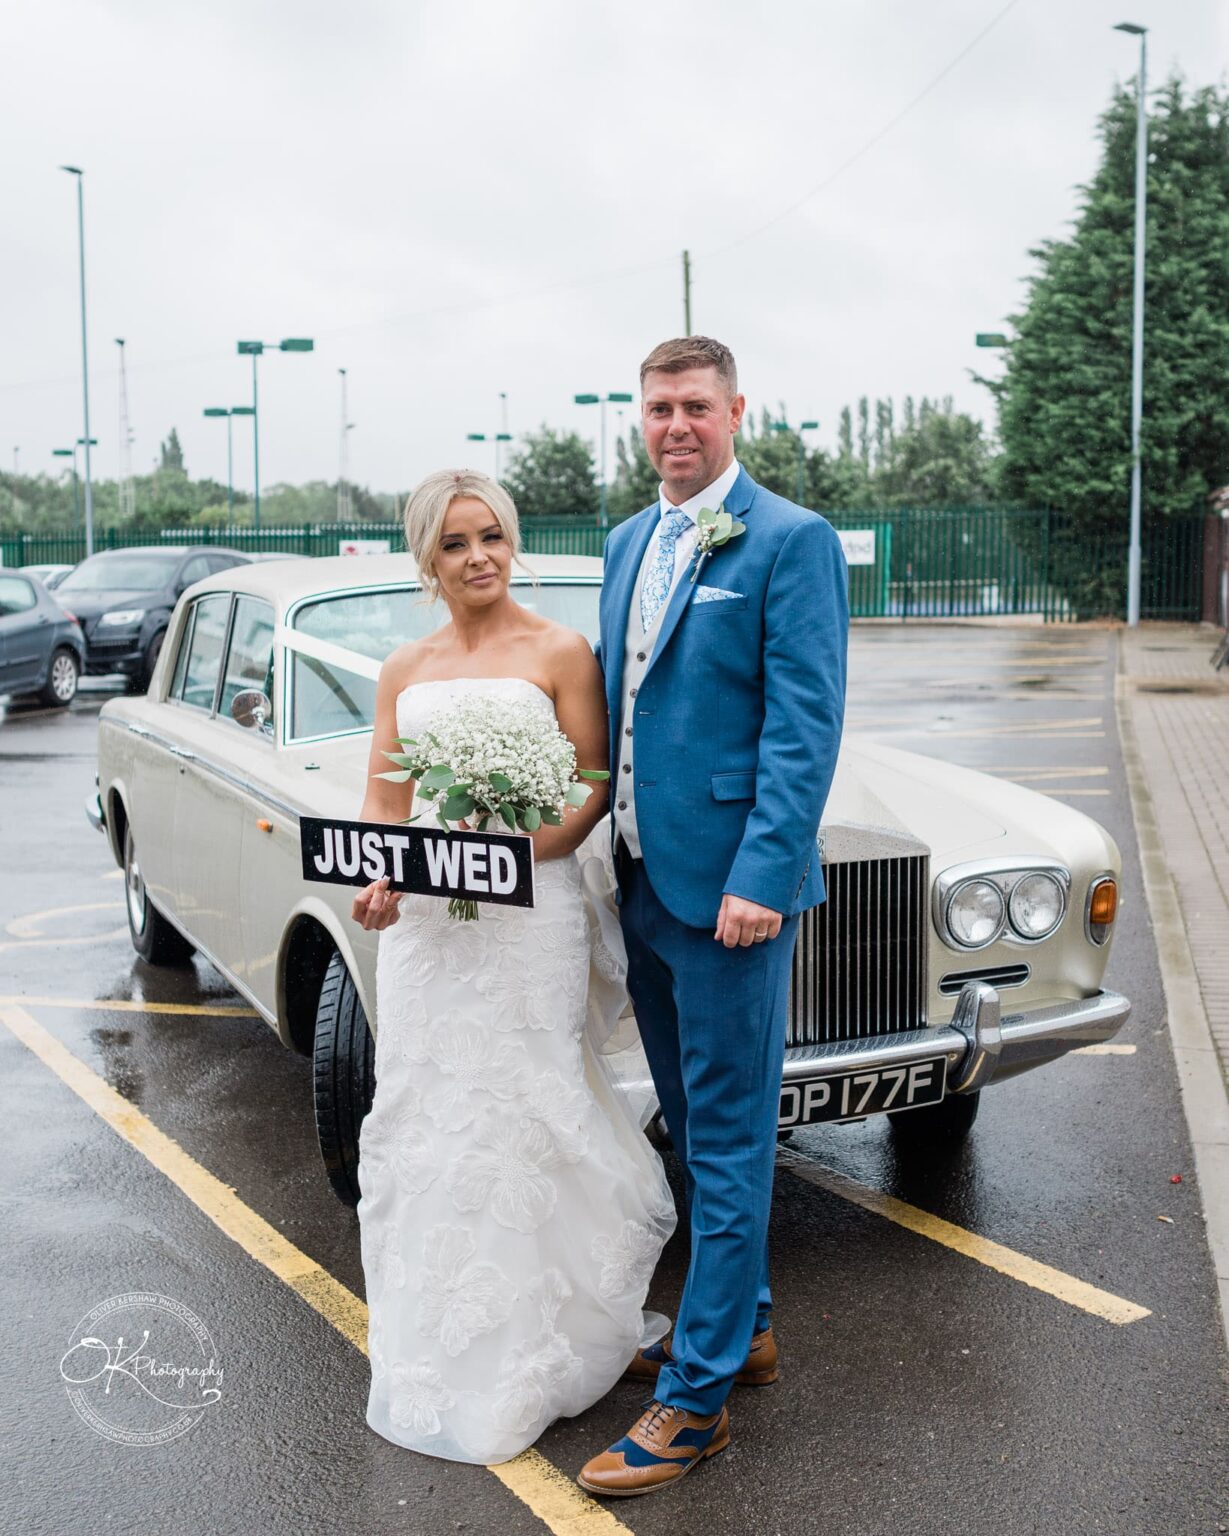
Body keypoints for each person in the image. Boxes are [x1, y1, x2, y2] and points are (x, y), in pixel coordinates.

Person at [349, 469, 674, 1466]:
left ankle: (539, 1346)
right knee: (427, 1108)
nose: (478, 556)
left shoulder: (558, 650)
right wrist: (381, 878)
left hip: (526, 912)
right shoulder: (404, 667)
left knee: (524, 1109)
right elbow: (384, 800)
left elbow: (587, 779)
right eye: (455, 543)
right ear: (427, 560)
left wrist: (525, 846)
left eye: (491, 536)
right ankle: (439, 1346)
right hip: (431, 938)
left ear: (511, 541)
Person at [578, 337, 848, 1497]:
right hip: (644, 882)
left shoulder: (790, 541)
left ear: (736, 410)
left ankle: (692, 1407)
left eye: (694, 406)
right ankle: (741, 1328)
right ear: (636, 419)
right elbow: (613, 706)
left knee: (732, 1141)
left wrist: (760, 873)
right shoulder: (626, 541)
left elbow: (803, 727)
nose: (674, 425)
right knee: (688, 1128)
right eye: (656, 409)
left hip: (733, 895)